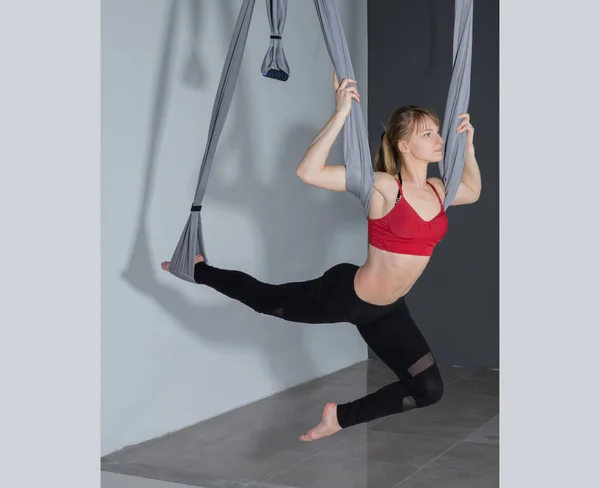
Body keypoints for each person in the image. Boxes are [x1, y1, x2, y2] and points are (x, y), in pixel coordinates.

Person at [161, 73, 482, 442]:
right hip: (348, 296)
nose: (440, 139)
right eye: (428, 134)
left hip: (390, 309)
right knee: (267, 300)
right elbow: (308, 172)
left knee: (428, 389)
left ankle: (339, 417)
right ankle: (198, 269)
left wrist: (468, 148)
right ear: (404, 145)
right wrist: (340, 113)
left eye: (438, 131)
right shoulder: (383, 186)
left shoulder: (438, 189)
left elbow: (472, 190)